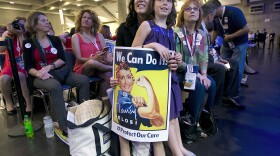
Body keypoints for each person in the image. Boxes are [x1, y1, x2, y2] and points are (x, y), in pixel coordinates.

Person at [132, 0, 195, 155]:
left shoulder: (170, 30)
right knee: (167, 116)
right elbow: (132, 51)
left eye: (169, 1)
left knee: (174, 116)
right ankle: (176, 152)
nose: (165, 3)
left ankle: (180, 148)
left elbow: (170, 57)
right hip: (154, 80)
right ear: (153, 4)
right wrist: (153, 45)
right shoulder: (147, 26)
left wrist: (177, 59)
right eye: (161, 0)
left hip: (169, 77)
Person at [23, 11, 90, 138]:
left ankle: (83, 115)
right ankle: (63, 125)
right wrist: (39, 73)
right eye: (43, 20)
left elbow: (62, 59)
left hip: (59, 71)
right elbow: (28, 67)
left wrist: (49, 67)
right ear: (35, 25)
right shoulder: (28, 43)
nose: (47, 22)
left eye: (47, 20)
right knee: (55, 86)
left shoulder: (55, 39)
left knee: (84, 80)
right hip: (40, 76)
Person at [175, 0, 216, 142]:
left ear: (199, 14)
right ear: (182, 14)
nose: (192, 11)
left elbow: (204, 56)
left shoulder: (202, 34)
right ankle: (190, 124)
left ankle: (204, 120)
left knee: (211, 83)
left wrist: (204, 75)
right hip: (179, 72)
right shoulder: (177, 33)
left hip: (196, 72)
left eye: (195, 9)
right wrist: (198, 74)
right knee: (197, 86)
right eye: (188, 9)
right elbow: (178, 61)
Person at [202, 2, 244, 109]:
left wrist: (219, 58)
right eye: (214, 15)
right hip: (205, 61)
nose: (214, 18)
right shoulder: (201, 29)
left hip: (211, 58)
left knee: (231, 65)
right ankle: (215, 102)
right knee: (222, 67)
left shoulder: (205, 29)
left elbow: (210, 49)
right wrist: (217, 60)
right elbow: (202, 53)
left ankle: (228, 94)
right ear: (210, 16)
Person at [72, 9, 112, 99]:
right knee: (91, 62)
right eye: (84, 17)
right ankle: (113, 68)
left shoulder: (99, 36)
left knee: (109, 76)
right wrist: (94, 58)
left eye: (89, 18)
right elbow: (79, 59)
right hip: (83, 68)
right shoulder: (76, 37)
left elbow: (106, 52)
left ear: (93, 22)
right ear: (80, 20)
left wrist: (105, 56)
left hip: (100, 66)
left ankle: (103, 101)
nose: (86, 19)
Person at [210, 0, 250, 89]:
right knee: (224, 65)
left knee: (238, 67)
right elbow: (215, 31)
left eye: (211, 10)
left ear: (217, 8)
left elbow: (246, 29)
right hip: (226, 44)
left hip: (239, 43)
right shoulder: (216, 17)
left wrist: (231, 36)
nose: (210, 13)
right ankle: (227, 86)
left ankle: (234, 90)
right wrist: (210, 43)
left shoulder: (234, 12)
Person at [116, 62, 163, 130]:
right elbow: (153, 113)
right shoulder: (122, 100)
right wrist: (148, 85)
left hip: (137, 138)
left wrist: (143, 105)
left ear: (132, 79)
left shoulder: (132, 99)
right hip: (129, 139)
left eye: (128, 77)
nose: (126, 82)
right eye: (122, 78)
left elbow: (159, 122)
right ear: (118, 82)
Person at [0, 17, 32, 115]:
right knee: (3, 78)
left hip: (25, 64)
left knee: (20, 76)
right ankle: (9, 103)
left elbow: (26, 49)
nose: (19, 27)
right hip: (10, 64)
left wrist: (20, 34)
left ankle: (28, 103)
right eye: (18, 25)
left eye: (22, 25)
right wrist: (8, 34)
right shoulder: (8, 35)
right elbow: (1, 49)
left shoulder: (29, 36)